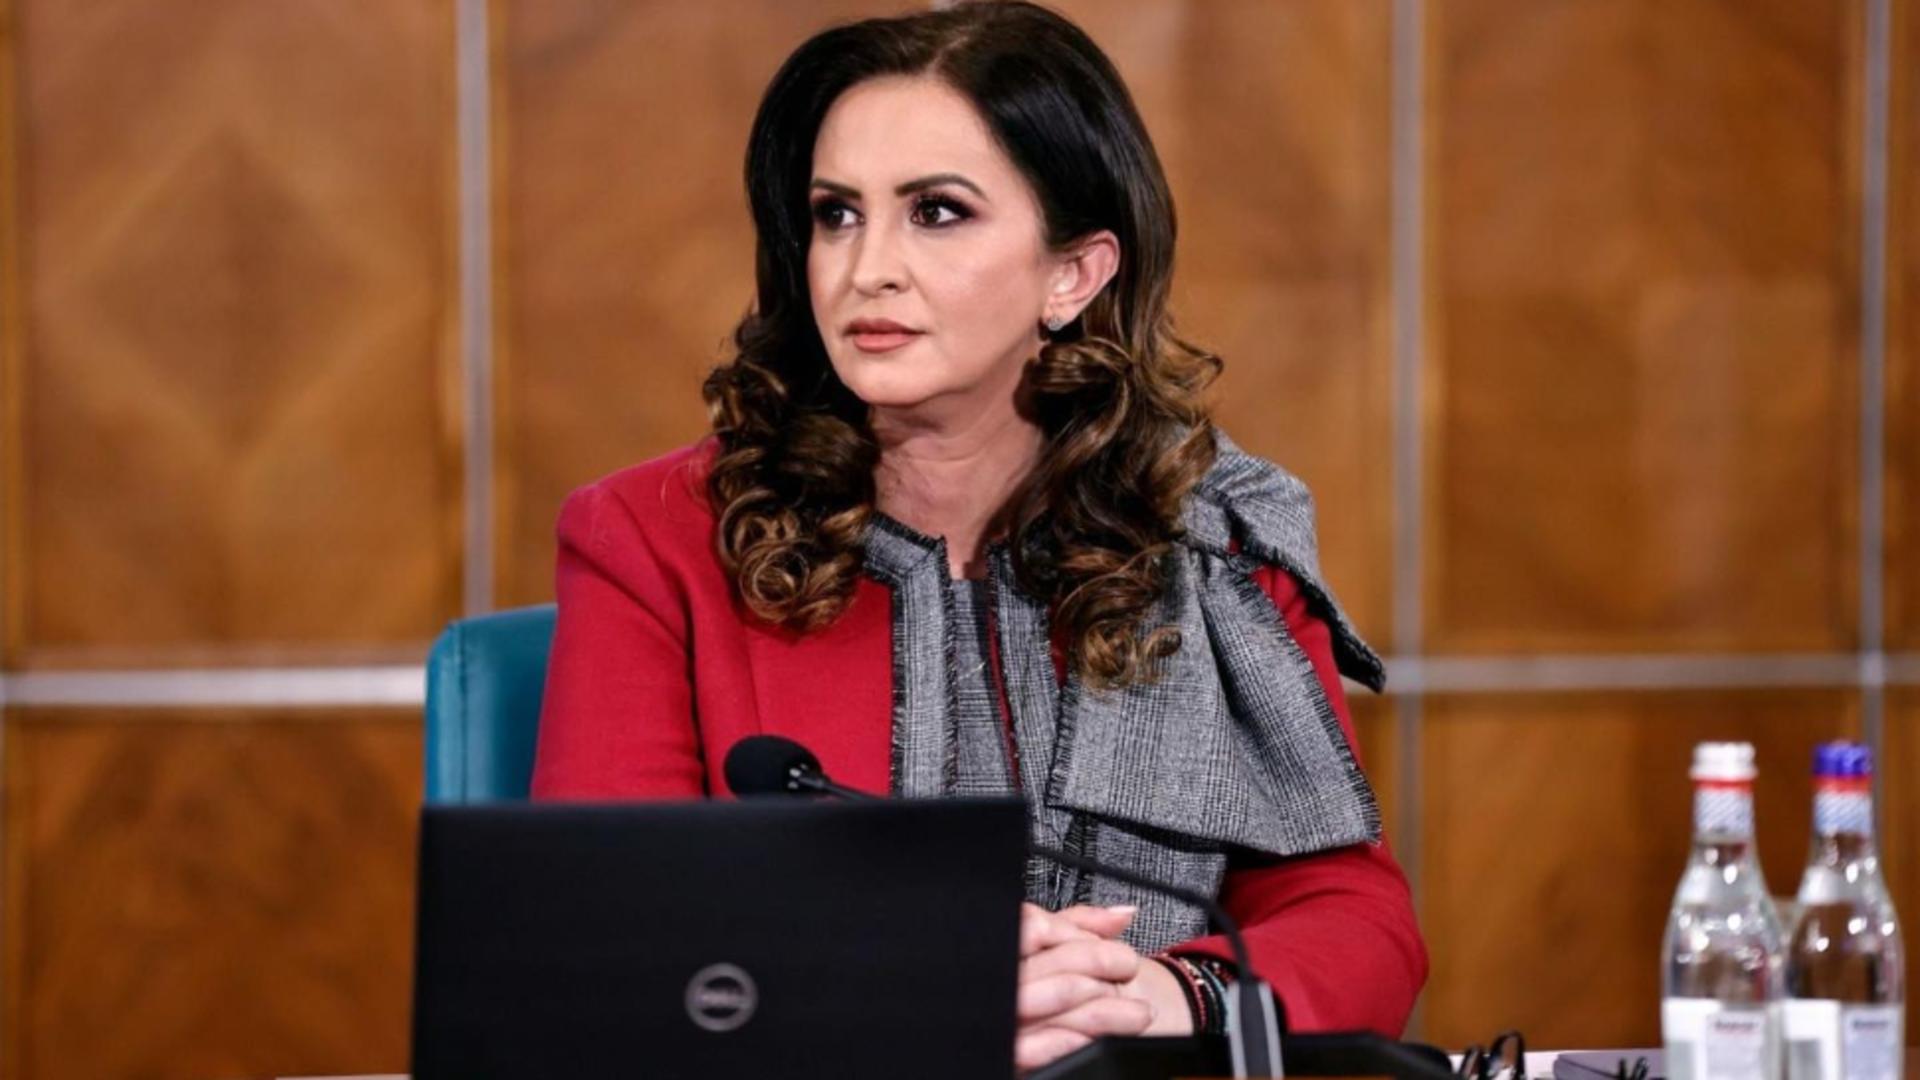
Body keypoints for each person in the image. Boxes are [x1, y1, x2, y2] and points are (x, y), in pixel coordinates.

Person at [529, 1, 1426, 1072]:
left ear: (1074, 273)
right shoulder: (655, 538)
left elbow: (1352, 915)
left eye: (937, 212)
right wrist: (918, 987)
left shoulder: (1212, 543)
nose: (867, 268)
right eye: (836, 214)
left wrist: (1166, 995)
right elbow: (603, 937)